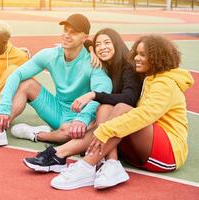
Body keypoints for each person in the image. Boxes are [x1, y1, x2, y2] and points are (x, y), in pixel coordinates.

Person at [50, 35, 194, 190]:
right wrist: (92, 49)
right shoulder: (150, 78)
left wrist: (105, 129)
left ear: (156, 57)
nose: (137, 58)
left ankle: (87, 165)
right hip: (144, 149)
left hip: (168, 154)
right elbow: (86, 40)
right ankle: (111, 164)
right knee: (107, 108)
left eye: (142, 55)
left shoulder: (165, 83)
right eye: (137, 53)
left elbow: (145, 115)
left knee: (122, 109)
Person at [23, 28, 142, 189]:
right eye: (98, 44)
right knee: (71, 128)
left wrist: (94, 95)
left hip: (126, 124)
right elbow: (85, 42)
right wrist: (92, 49)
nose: (102, 47)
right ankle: (39, 135)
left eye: (107, 43)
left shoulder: (128, 66)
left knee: (103, 110)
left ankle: (60, 153)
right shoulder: (103, 62)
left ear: (117, 44)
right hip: (108, 122)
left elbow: (129, 99)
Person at [0, 13, 112, 146]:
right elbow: (17, 75)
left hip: (79, 117)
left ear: (85, 37)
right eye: (65, 30)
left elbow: (102, 91)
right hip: (56, 110)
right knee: (26, 83)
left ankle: (36, 133)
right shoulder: (49, 55)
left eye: (73, 32)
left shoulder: (93, 63)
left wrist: (83, 118)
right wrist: (4, 108)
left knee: (72, 133)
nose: (67, 35)